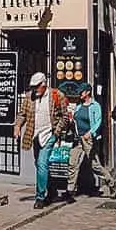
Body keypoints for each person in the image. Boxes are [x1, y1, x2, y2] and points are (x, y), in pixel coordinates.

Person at [13, 72, 70, 209]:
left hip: (49, 134)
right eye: (32, 87)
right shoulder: (29, 97)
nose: (34, 90)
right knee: (39, 165)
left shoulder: (57, 95)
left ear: (43, 85)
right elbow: (22, 114)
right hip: (35, 136)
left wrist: (56, 132)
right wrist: (17, 126)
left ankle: (40, 197)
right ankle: (51, 189)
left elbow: (64, 116)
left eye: (36, 87)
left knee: (42, 163)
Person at [66, 83, 116, 200]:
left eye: (82, 91)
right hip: (78, 139)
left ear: (88, 92)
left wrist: (90, 133)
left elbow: (98, 122)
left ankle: (111, 183)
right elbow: (75, 120)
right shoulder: (79, 107)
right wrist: (71, 121)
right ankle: (70, 191)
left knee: (95, 166)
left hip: (89, 140)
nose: (79, 93)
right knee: (72, 163)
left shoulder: (95, 106)